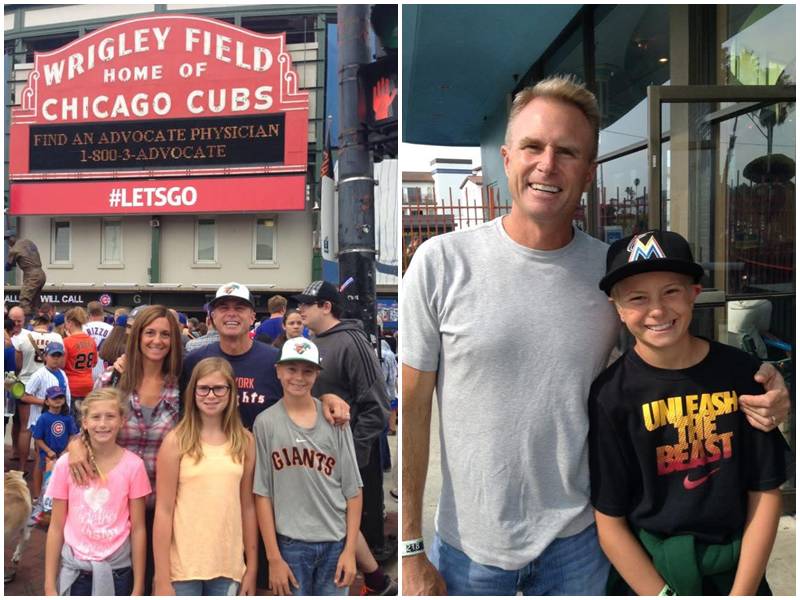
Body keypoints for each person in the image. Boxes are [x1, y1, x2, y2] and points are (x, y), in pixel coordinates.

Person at [400, 75, 791, 595]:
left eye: (567, 151)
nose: (547, 164)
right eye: (533, 147)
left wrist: (763, 388)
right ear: (507, 158)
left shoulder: (612, 274)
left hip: (581, 544)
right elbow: (412, 408)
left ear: (588, 172)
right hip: (471, 551)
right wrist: (409, 546)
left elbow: (666, 365)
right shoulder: (440, 263)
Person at [588, 230, 790, 595]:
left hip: (737, 569)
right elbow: (609, 520)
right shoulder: (611, 395)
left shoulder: (742, 374)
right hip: (652, 573)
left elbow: (765, 490)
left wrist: (742, 593)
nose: (657, 310)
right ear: (617, 307)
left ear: (694, 293)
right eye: (637, 297)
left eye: (671, 291)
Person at [67, 305, 183, 595]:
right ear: (137, 336)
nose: (157, 340)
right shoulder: (113, 379)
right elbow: (88, 426)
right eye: (150, 333)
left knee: (157, 584)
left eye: (165, 334)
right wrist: (76, 444)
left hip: (163, 510)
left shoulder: (181, 386)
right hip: (113, 510)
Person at [295, 281, 397, 595]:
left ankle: (374, 581)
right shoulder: (314, 341)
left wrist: (352, 453)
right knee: (331, 520)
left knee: (338, 522)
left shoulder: (351, 342)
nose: (300, 309)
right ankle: (376, 581)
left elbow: (377, 405)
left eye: (306, 304)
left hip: (342, 455)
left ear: (326, 307)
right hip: (314, 452)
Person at [253, 337, 363, 596]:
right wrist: (273, 558)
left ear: (317, 375)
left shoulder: (335, 420)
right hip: (290, 544)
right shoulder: (265, 423)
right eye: (291, 369)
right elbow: (262, 493)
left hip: (335, 541)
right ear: (278, 371)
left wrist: (350, 550)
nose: (298, 377)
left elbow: (353, 490)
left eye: (307, 371)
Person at [154, 357, 257, 596]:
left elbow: (247, 506)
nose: (211, 395)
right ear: (193, 392)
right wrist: (161, 576)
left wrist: (252, 567)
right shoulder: (175, 441)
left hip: (227, 565)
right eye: (203, 388)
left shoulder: (245, 442)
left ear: (231, 392)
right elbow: (164, 510)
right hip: (183, 568)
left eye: (219, 388)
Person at [44, 387, 150, 596]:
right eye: (95, 417)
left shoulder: (134, 466)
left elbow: (138, 529)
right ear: (84, 422)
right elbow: (56, 526)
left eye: (110, 416)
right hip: (76, 572)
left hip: (118, 572)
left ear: (122, 420)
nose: (102, 424)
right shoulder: (65, 465)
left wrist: (138, 587)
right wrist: (49, 585)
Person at [12, 315, 63, 474]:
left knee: (25, 428)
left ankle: (22, 467)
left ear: (34, 323)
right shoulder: (56, 337)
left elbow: (18, 364)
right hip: (48, 384)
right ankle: (40, 465)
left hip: (27, 381)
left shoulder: (24, 337)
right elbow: (61, 361)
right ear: (48, 324)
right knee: (44, 427)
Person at [22, 341, 72, 498]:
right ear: (45, 357)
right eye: (53, 355)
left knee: (57, 459)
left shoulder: (62, 373)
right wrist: (45, 402)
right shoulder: (39, 374)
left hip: (61, 421)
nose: (56, 359)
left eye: (59, 355)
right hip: (41, 422)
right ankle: (37, 497)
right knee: (41, 460)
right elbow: (24, 396)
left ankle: (51, 496)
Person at [31, 385, 79, 499]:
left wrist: (66, 450)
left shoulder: (68, 417)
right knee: (48, 481)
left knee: (64, 479)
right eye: (54, 398)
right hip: (48, 457)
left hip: (64, 455)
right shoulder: (43, 418)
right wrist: (48, 451)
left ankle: (61, 501)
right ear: (47, 401)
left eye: (60, 397)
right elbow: (38, 438)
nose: (58, 400)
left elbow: (72, 435)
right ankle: (45, 502)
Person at [63, 307, 98, 419]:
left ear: (70, 322)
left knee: (73, 421)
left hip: (72, 386)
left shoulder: (67, 342)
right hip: (88, 384)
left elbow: (62, 365)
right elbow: (94, 363)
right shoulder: (91, 340)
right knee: (85, 419)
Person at [5, 232, 46, 317]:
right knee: (35, 301)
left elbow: (8, 267)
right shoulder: (28, 242)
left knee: (24, 300)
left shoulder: (14, 249)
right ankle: (38, 320)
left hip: (32, 276)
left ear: (12, 239)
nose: (8, 242)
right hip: (41, 273)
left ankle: (26, 322)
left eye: (8, 240)